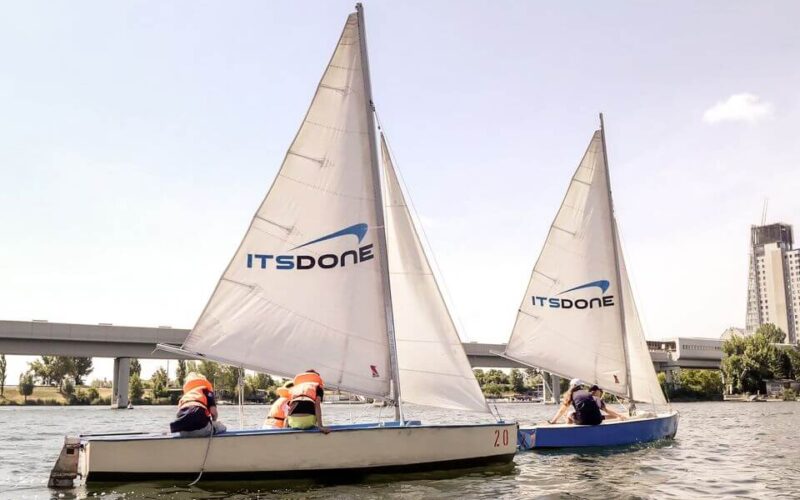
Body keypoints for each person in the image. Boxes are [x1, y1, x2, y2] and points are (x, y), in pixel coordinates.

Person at [169, 372, 226, 437]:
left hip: (183, 431)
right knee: (222, 426)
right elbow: (213, 412)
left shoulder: (186, 396)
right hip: (201, 429)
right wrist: (214, 422)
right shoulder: (206, 391)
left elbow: (180, 414)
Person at [286, 369, 330, 434]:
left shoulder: (296, 387)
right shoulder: (317, 387)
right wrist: (320, 426)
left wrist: (286, 427)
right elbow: (317, 405)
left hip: (292, 421)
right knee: (314, 409)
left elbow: (289, 407)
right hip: (308, 421)